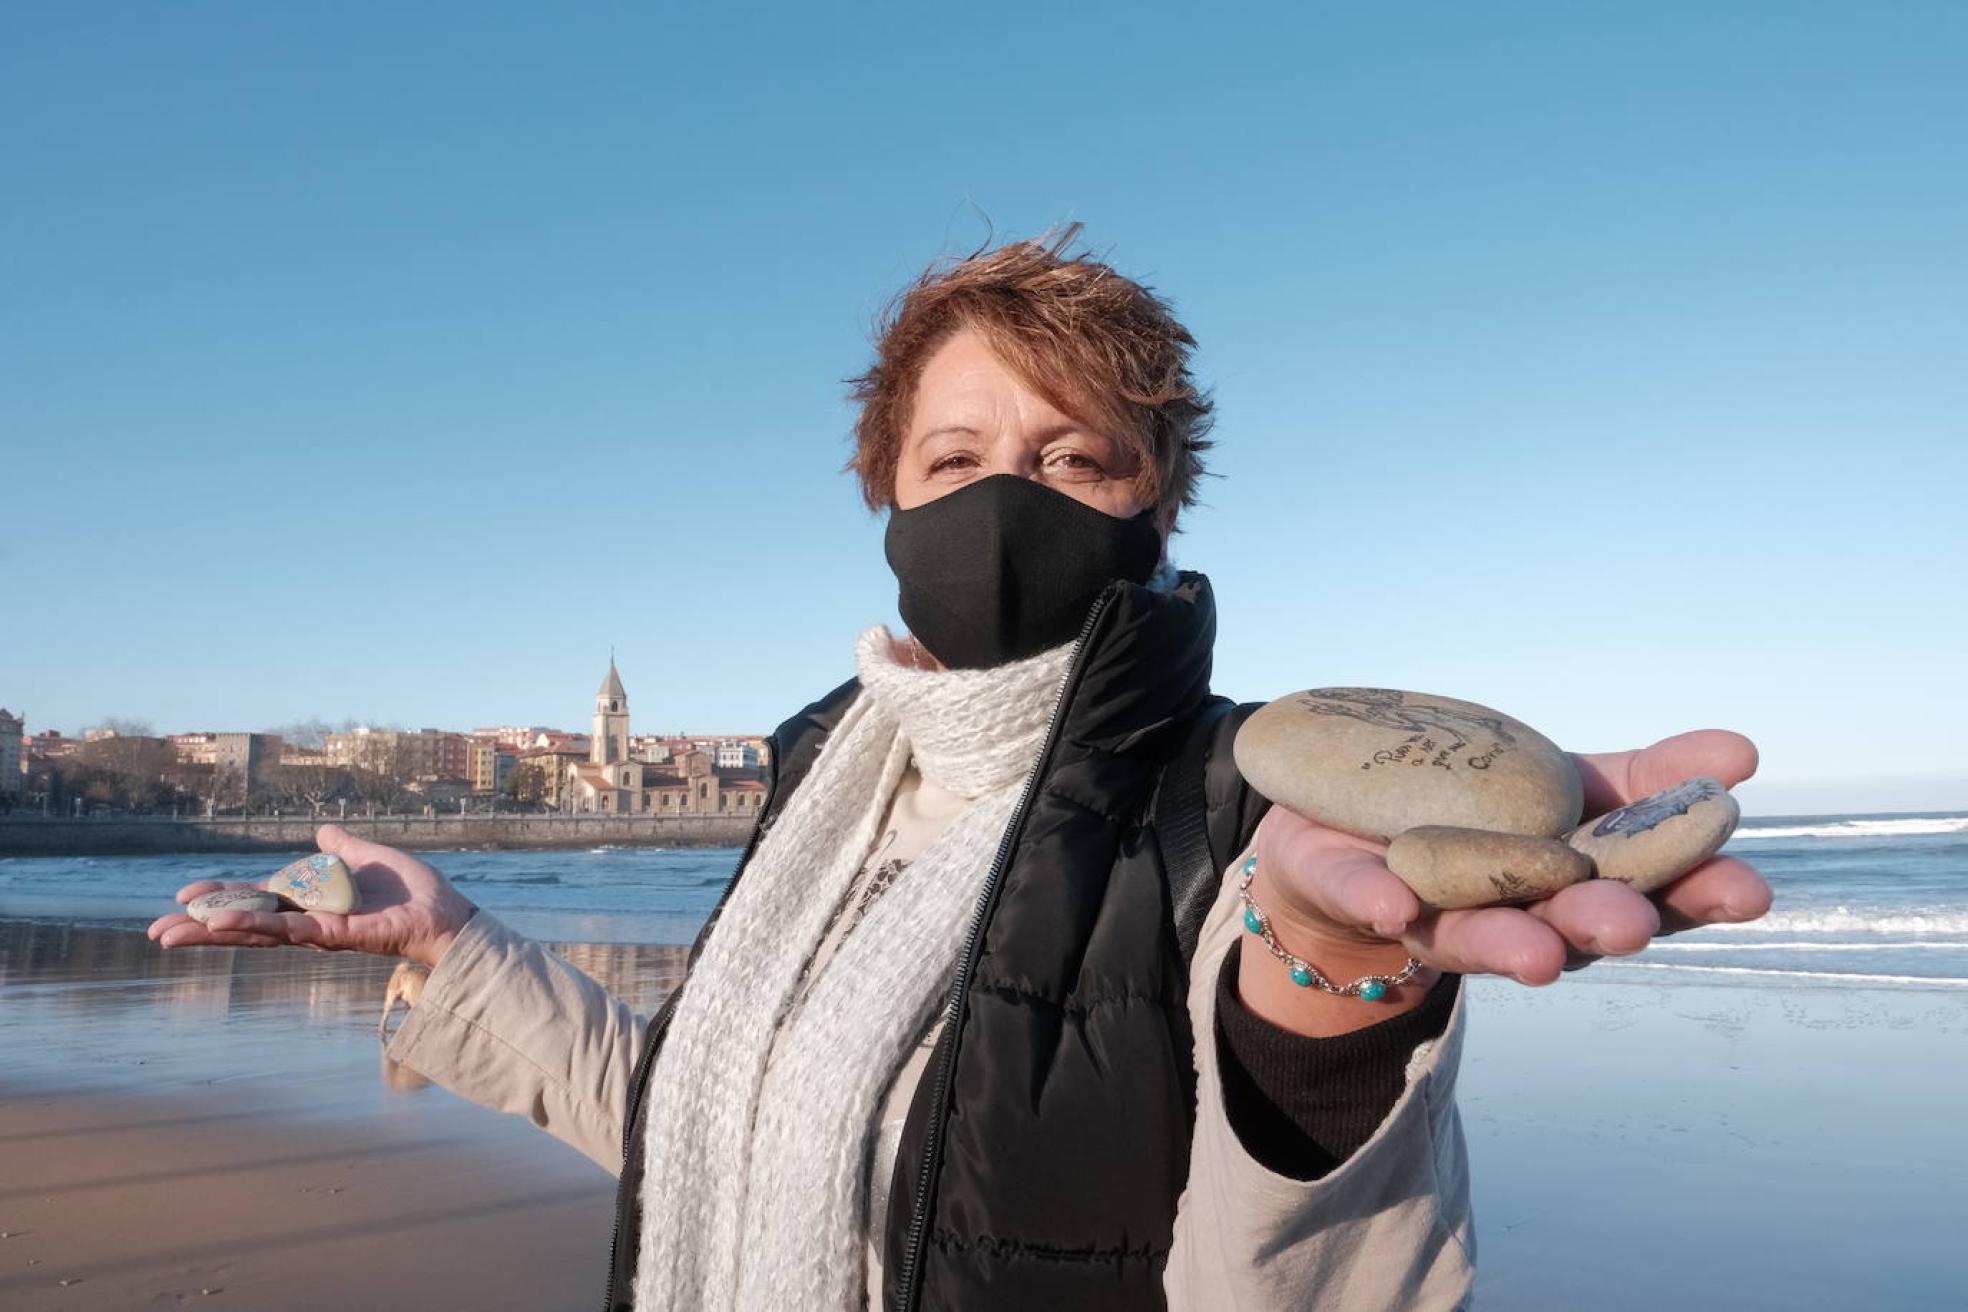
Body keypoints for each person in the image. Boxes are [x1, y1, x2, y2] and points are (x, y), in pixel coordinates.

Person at [149, 229, 1772, 1311]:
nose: (1012, 500)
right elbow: (736, 1124)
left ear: (1155, 512)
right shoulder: (822, 782)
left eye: (1076, 458)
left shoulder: (1242, 811)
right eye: (957, 457)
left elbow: (1284, 1280)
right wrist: (452, 951)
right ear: (889, 500)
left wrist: (1327, 1005)